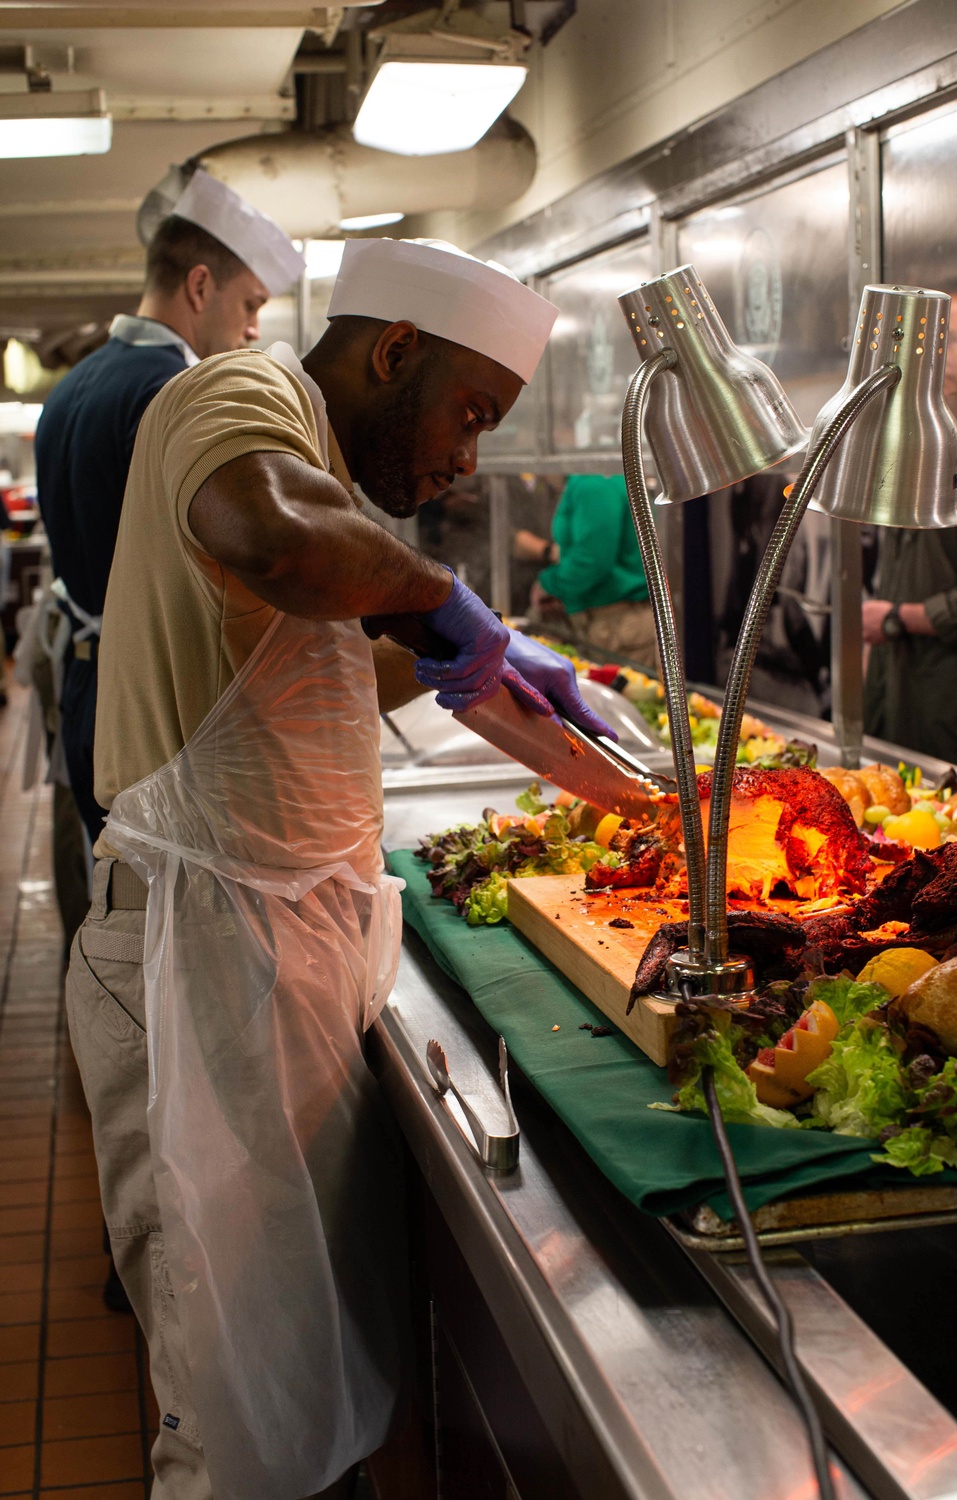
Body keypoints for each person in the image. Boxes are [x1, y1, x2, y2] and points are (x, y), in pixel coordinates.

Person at [65, 236, 610, 1500]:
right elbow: (261, 532)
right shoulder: (238, 397)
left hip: (274, 963)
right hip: (187, 968)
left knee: (297, 1391)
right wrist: (443, 609)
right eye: (468, 411)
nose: (468, 456)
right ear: (394, 352)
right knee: (230, 1419)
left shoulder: (315, 471)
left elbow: (297, 668)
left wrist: (475, 669)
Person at [35, 167, 305, 847]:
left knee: (118, 890)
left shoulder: (72, 386)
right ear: (200, 285)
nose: (251, 330)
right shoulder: (175, 395)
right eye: (249, 304)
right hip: (146, 703)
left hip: (84, 679)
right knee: (167, 915)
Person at [863, 277, 957, 777]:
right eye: (926, 345)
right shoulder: (931, 432)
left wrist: (896, 617)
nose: (934, 360)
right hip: (904, 698)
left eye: (950, 342)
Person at [516, 473, 658, 668]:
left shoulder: (593, 482)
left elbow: (592, 561)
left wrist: (549, 584)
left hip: (617, 628)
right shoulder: (591, 480)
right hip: (616, 624)